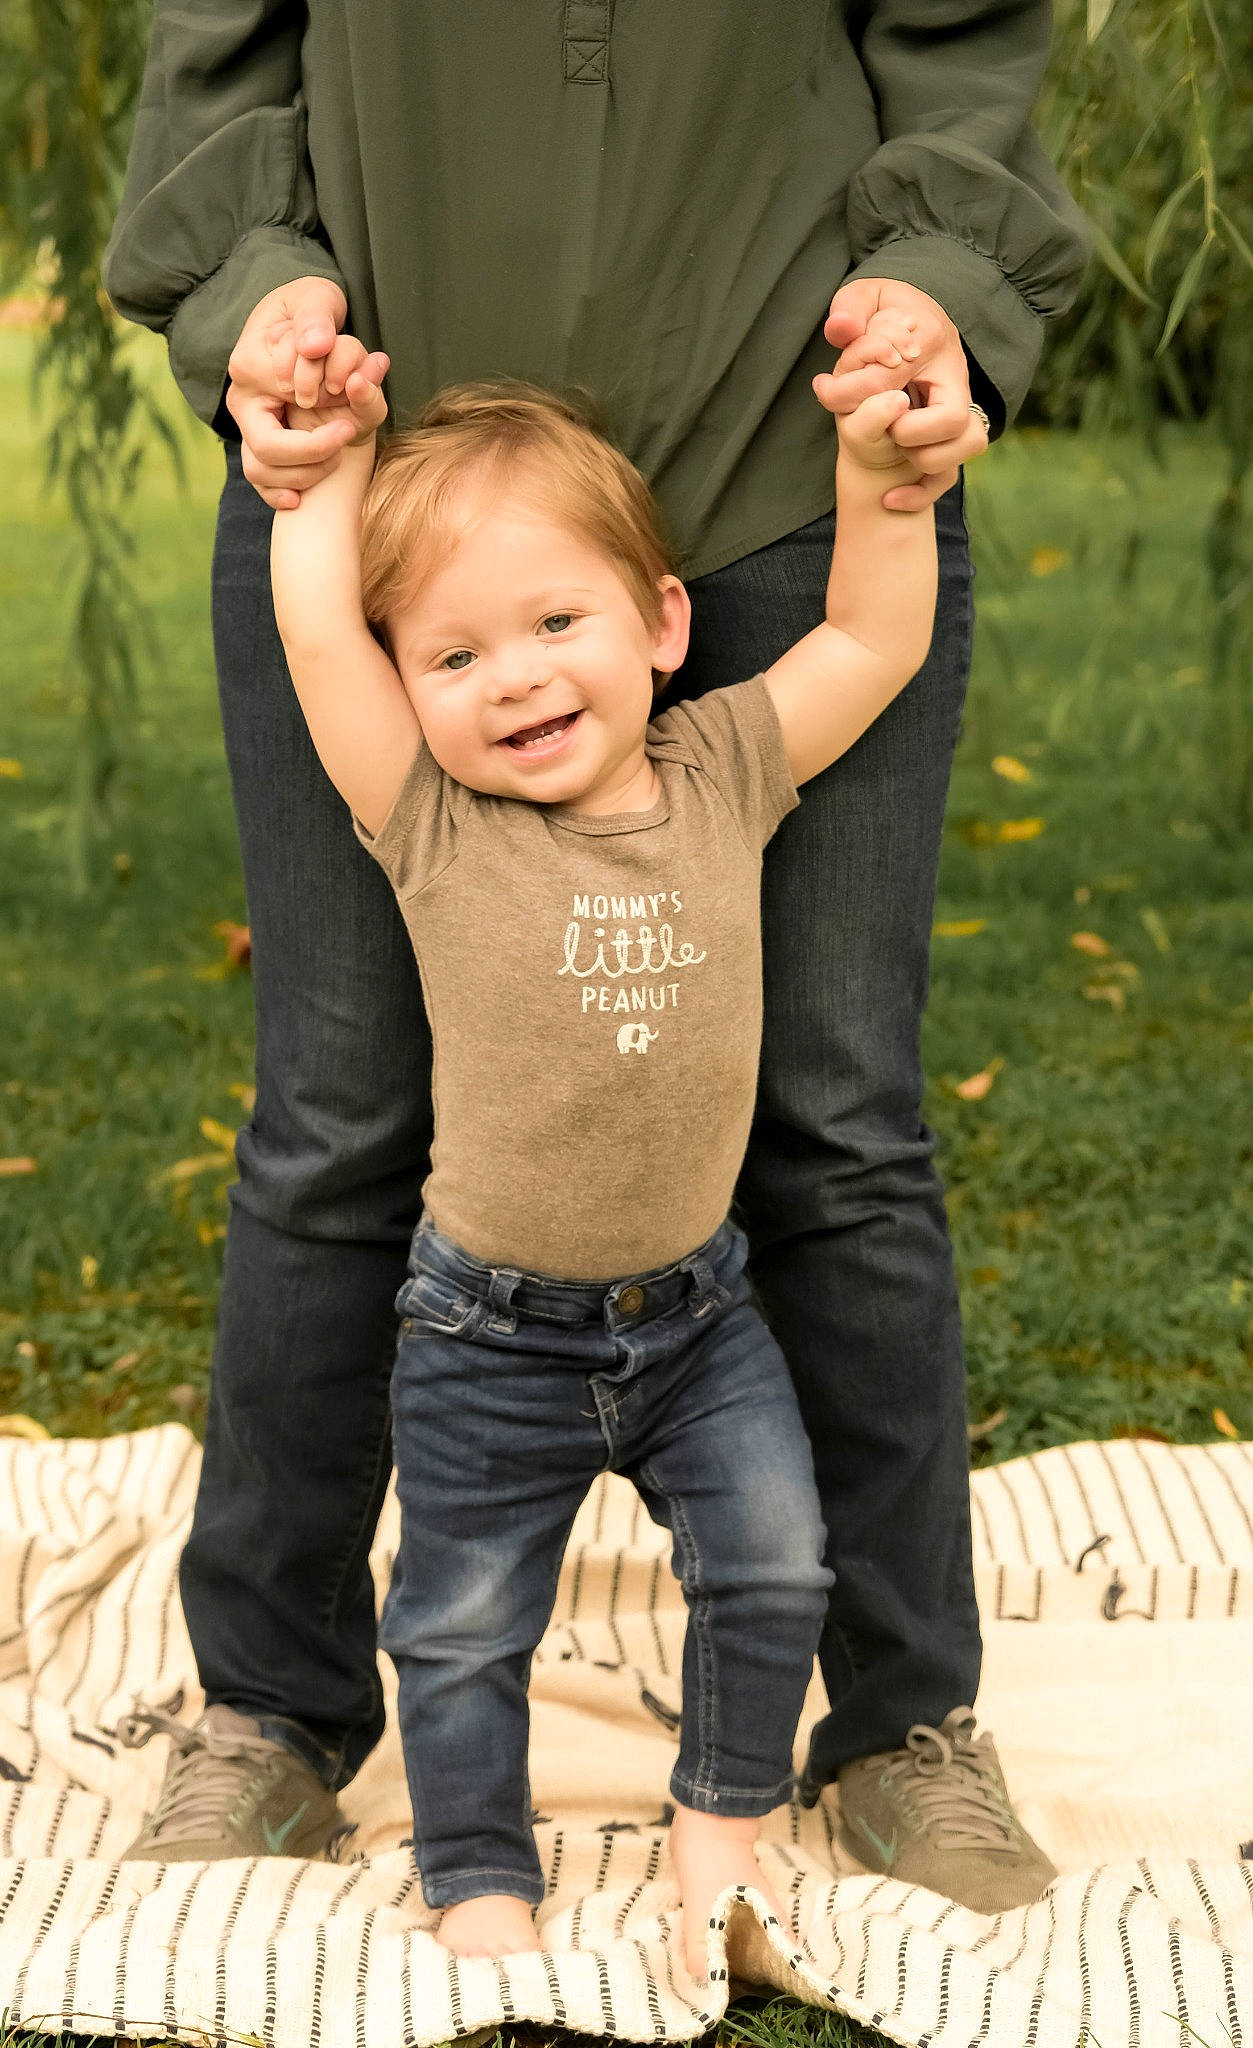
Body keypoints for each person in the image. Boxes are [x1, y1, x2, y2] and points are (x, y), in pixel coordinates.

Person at [105, 0, 1092, 1906]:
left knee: (836, 1122)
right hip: (372, 490)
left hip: (789, 466)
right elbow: (220, 52)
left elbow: (963, 39)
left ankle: (900, 1721)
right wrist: (260, 299)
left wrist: (934, 294)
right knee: (336, 1122)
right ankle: (274, 1710)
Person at [261, 331, 1027, 1970]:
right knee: (461, 1629)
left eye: (556, 623)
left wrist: (879, 489)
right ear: (408, 693)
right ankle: (476, 1876)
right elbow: (317, 630)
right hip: (485, 1332)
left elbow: (875, 637)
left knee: (774, 1567)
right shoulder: (431, 824)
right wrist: (319, 471)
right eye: (455, 653)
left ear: (661, 625)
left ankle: (722, 1829)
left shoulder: (723, 767)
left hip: (697, 1318)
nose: (521, 675)